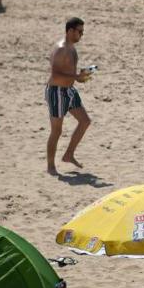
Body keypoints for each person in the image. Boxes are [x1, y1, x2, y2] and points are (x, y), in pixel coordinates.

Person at [46, 17, 91, 174]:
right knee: (56, 131)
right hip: (56, 91)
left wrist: (79, 76)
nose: (81, 35)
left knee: (85, 121)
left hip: (69, 91)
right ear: (70, 31)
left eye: (83, 32)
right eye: (79, 32)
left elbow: (68, 72)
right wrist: (76, 77)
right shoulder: (61, 49)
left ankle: (68, 154)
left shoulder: (71, 47)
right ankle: (51, 166)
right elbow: (55, 74)